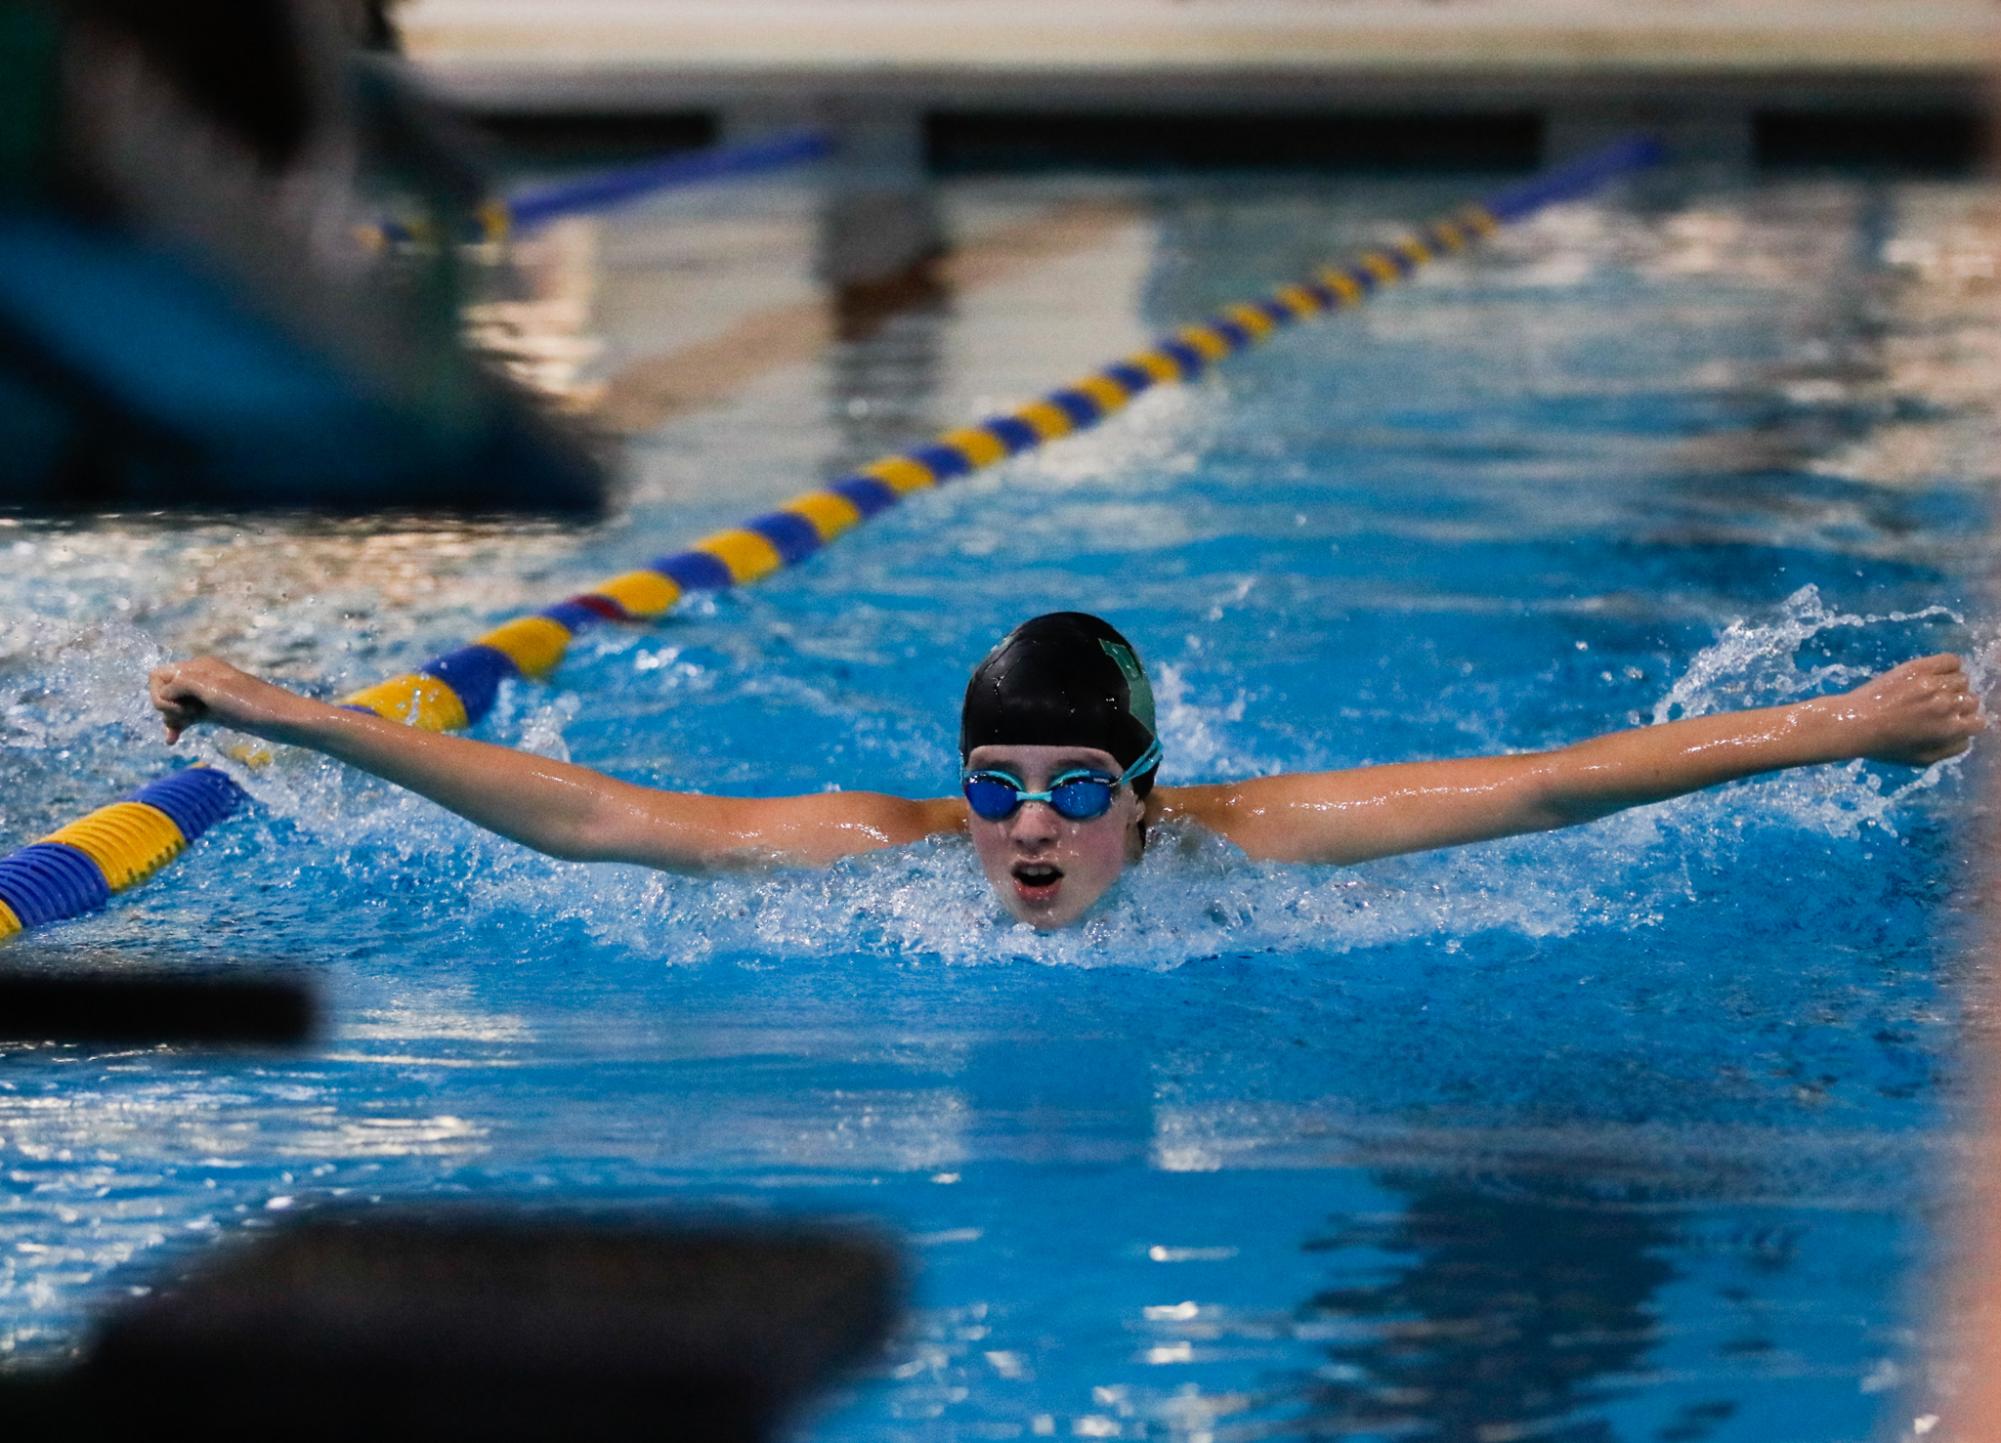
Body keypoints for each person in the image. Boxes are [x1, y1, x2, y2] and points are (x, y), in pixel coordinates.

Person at [148, 611, 1986, 931]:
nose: (1028, 825)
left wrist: (1850, 725)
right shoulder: (874, 859)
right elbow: (598, 821)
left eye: (1077, 790)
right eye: (996, 787)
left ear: (1147, 793)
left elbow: (1556, 784)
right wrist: (307, 719)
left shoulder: (1256, 851)